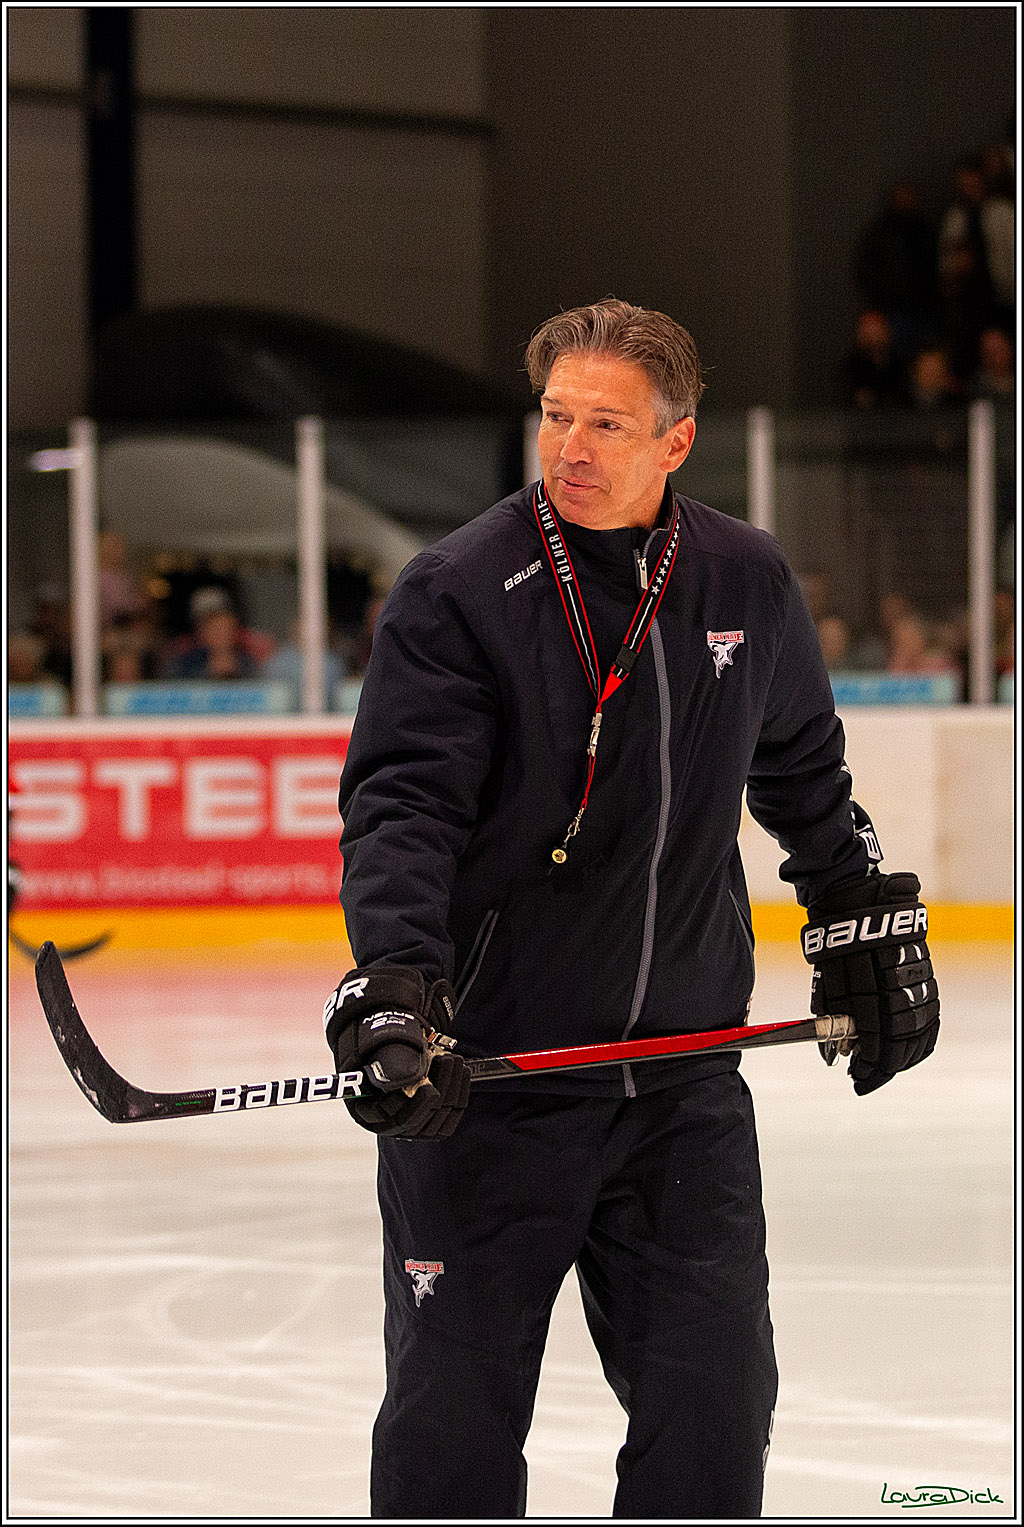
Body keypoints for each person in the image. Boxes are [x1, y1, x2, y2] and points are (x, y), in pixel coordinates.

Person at [324, 300, 940, 1519]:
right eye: (556, 416)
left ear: (676, 441)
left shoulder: (743, 579)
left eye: (608, 423)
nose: (572, 449)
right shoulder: (458, 592)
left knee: (712, 1410)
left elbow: (806, 776)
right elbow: (404, 810)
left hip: (681, 1083)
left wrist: (862, 920)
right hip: (490, 1085)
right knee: (452, 1428)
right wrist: (395, 982)